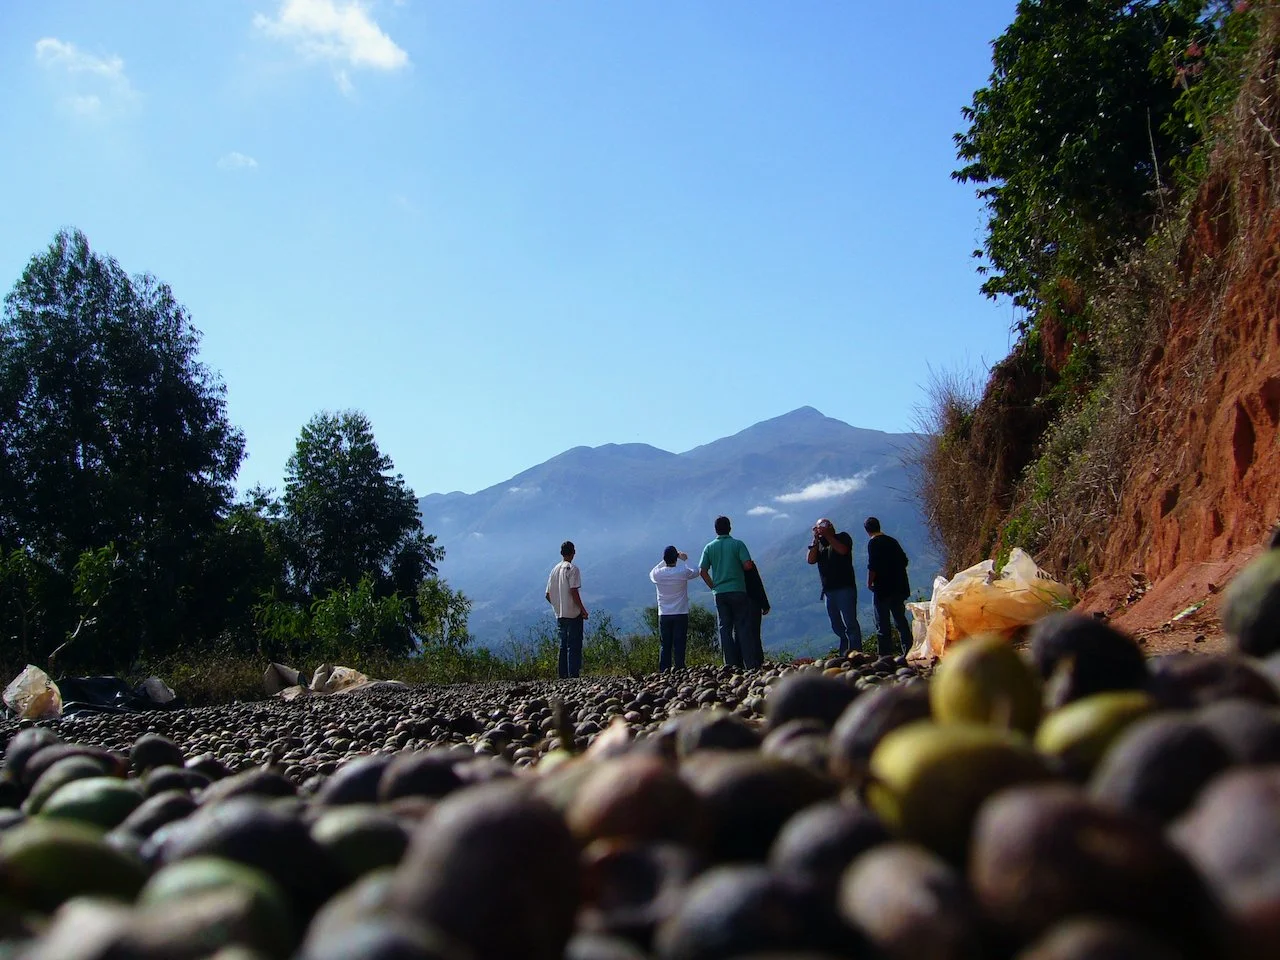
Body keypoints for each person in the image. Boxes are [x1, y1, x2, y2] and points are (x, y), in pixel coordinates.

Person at [699, 516, 755, 668]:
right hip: (738, 589)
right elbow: (748, 565)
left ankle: (730, 665)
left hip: (720, 592)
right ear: (730, 528)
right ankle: (749, 663)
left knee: (725, 628)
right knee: (742, 627)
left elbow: (702, 571)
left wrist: (713, 587)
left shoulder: (709, 547)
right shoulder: (738, 544)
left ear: (715, 529)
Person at [806, 517, 863, 655]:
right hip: (828, 591)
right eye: (819, 527)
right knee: (836, 624)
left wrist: (828, 535)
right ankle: (845, 651)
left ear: (831, 526)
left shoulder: (842, 537)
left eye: (823, 525)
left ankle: (856, 651)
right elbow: (811, 560)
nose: (821, 529)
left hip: (845, 587)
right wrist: (815, 540)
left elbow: (843, 550)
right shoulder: (819, 544)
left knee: (850, 622)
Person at [865, 516, 912, 656]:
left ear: (867, 530)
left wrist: (869, 583)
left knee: (883, 624)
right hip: (899, 587)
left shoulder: (873, 543)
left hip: (882, 589)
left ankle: (885, 655)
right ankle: (908, 651)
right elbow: (904, 560)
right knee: (901, 621)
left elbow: (872, 566)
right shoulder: (892, 541)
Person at [649, 545, 702, 671]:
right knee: (679, 643)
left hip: (664, 614)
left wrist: (665, 559)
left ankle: (664, 670)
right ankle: (680, 668)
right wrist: (686, 559)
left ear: (665, 559)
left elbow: (652, 571)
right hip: (681, 612)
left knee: (665, 644)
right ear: (676, 559)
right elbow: (696, 571)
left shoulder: (657, 575)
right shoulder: (682, 572)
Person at [545, 540, 588, 678]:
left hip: (560, 614)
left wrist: (557, 605)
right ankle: (573, 675)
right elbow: (574, 591)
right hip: (573, 613)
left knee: (563, 645)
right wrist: (582, 609)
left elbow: (547, 594)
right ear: (573, 552)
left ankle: (562, 676)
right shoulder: (572, 569)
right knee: (574, 645)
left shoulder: (554, 570)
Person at [744, 561, 770, 669]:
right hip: (753, 601)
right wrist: (764, 603)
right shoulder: (748, 564)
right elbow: (757, 582)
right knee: (755, 634)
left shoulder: (729, 565)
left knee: (740, 633)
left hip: (738, 602)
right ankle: (757, 662)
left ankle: (744, 662)